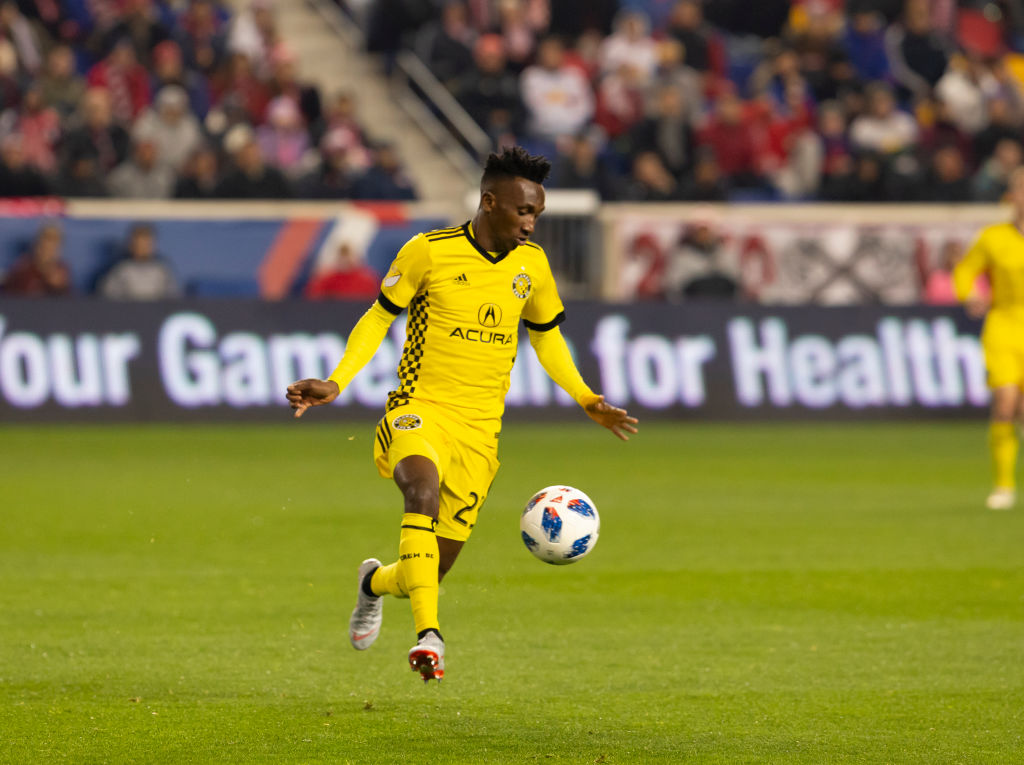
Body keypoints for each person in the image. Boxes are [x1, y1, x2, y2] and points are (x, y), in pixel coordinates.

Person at [285, 147, 637, 682]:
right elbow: (378, 317)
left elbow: (548, 341)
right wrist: (337, 380)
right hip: (419, 408)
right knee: (419, 491)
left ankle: (373, 584)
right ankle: (430, 637)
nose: (530, 223)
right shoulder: (428, 251)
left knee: (429, 568)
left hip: (479, 432)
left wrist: (587, 398)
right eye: (523, 211)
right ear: (489, 202)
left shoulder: (532, 266)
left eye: (537, 214)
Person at [954, 167, 1024, 510]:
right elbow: (966, 270)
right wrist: (969, 295)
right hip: (1004, 324)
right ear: (1012, 196)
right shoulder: (993, 237)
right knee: (1006, 401)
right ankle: (1004, 485)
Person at [97, 223, 180, 300]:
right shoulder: (121, 269)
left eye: (146, 244)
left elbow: (173, 296)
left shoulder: (162, 269)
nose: (142, 248)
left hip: (157, 312)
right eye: (139, 243)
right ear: (131, 244)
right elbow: (108, 295)